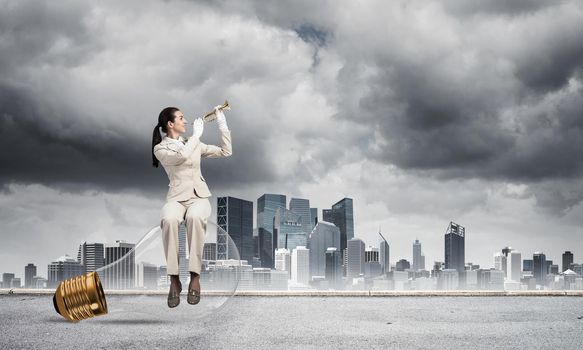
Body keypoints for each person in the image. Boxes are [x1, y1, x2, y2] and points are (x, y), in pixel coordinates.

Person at [151, 105, 232, 308]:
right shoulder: (161, 149)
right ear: (170, 124)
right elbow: (181, 157)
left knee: (195, 218)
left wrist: (222, 123)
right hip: (176, 199)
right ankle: (174, 279)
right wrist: (196, 136)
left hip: (198, 197)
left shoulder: (193, 143)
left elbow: (226, 151)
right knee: (169, 219)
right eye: (181, 118)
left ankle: (195, 276)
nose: (185, 121)